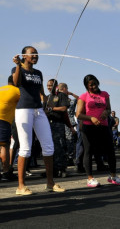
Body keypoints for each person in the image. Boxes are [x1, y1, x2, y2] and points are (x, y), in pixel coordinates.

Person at [12, 46, 65, 195]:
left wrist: (46, 104)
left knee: (48, 146)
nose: (35, 56)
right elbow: (16, 83)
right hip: (24, 110)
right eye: (32, 54)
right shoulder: (18, 69)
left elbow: (42, 93)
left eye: (36, 54)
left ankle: (50, 183)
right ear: (24, 56)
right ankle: (20, 186)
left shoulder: (38, 73)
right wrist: (17, 65)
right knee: (25, 148)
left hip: (38, 110)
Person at [76, 74, 120, 187]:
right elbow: (78, 114)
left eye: (94, 83)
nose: (93, 86)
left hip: (103, 126)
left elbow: (108, 108)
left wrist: (106, 113)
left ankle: (113, 176)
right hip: (89, 127)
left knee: (110, 151)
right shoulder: (83, 97)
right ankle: (90, 178)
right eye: (90, 85)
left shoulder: (105, 94)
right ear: (86, 86)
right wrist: (91, 118)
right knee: (88, 151)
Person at [43, 79, 70, 177]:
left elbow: (64, 108)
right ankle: (52, 169)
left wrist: (51, 108)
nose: (49, 87)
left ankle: (62, 168)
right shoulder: (48, 97)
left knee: (60, 147)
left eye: (50, 85)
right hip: (48, 124)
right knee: (50, 147)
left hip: (58, 124)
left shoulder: (61, 95)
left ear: (56, 86)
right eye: (47, 85)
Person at [0, 76, 20, 181]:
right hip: (3, 120)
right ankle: (6, 171)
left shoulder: (1, 88)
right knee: (4, 146)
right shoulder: (17, 90)